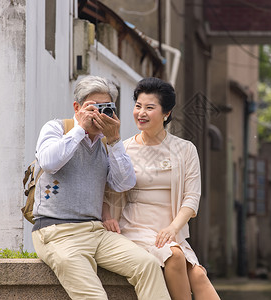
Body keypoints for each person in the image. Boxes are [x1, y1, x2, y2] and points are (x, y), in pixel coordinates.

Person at [31, 75, 171, 300]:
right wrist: (80, 130)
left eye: (105, 108)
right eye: (92, 108)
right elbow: (48, 162)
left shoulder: (106, 143)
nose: (98, 114)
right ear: (77, 107)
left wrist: (115, 140)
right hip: (56, 232)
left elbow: (124, 183)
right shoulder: (57, 128)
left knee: (148, 265)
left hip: (96, 231)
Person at [103, 77, 220, 300]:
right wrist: (107, 215)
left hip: (170, 230)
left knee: (198, 275)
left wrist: (172, 229)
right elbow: (107, 190)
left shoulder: (185, 149)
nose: (141, 113)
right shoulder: (123, 149)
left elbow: (192, 198)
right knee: (175, 256)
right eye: (138, 106)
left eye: (150, 107)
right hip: (136, 226)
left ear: (166, 113)